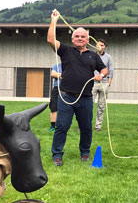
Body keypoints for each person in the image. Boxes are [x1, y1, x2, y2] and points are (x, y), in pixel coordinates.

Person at [47, 9, 108, 166]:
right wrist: (54, 20)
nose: (80, 38)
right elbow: (51, 40)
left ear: (88, 39)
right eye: (77, 36)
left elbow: (104, 69)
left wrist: (101, 75)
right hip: (66, 96)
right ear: (72, 38)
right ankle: (57, 155)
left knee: (86, 128)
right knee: (61, 127)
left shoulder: (94, 55)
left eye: (82, 37)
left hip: (86, 97)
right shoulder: (66, 50)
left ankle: (85, 153)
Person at [92, 39, 114, 132]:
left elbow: (111, 70)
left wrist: (108, 83)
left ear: (104, 46)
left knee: (101, 106)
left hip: (104, 83)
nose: (99, 46)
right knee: (88, 105)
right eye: (97, 45)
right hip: (92, 83)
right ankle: (85, 125)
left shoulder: (108, 57)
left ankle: (98, 126)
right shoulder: (91, 55)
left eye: (101, 45)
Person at [48, 63, 62, 132]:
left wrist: (58, 74)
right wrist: (61, 75)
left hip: (66, 88)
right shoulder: (56, 65)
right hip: (56, 88)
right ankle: (53, 126)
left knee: (65, 108)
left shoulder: (70, 65)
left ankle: (62, 125)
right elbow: (53, 74)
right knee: (53, 106)